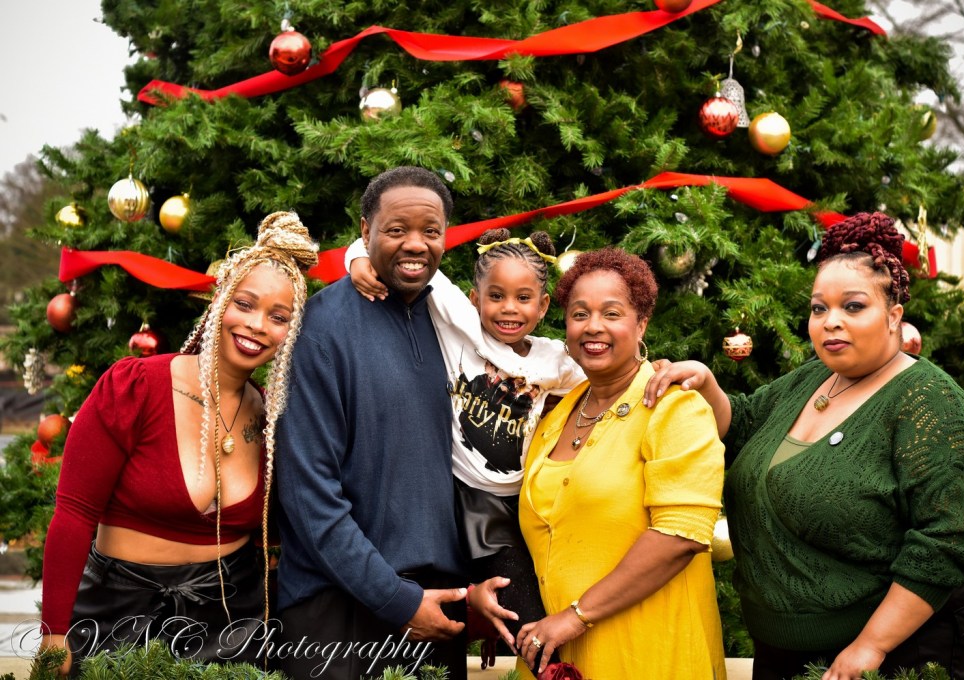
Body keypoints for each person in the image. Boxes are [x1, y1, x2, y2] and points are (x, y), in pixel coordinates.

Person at [647, 212, 964, 680]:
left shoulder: (930, 402)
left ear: (893, 316)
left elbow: (948, 543)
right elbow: (745, 427)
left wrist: (870, 646)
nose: (831, 322)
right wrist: (707, 383)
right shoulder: (815, 378)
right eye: (818, 308)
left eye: (853, 307)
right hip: (785, 647)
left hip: (891, 648)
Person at [38, 211, 319, 676]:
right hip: (117, 617)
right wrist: (53, 634)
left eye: (279, 317)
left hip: (232, 623)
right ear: (219, 300)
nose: (257, 325)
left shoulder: (273, 419)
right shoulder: (134, 387)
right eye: (245, 304)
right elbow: (73, 514)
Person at [347, 227, 584, 669]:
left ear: (543, 305)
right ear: (475, 299)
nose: (509, 308)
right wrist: (358, 262)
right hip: (459, 494)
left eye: (523, 298)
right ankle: (553, 672)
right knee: (511, 602)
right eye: (496, 296)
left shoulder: (555, 360)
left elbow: (614, 376)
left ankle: (551, 664)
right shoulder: (458, 324)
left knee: (538, 596)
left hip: (522, 501)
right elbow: (385, 245)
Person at [274, 167, 470, 680]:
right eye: (396, 229)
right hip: (336, 610)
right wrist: (395, 599)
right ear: (365, 231)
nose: (416, 244)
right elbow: (308, 493)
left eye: (430, 231)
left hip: (436, 605)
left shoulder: (454, 325)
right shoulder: (320, 329)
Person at [508, 247, 728, 679]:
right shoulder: (556, 415)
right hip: (558, 657)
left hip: (648, 654)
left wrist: (575, 616)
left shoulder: (674, 407)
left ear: (641, 323)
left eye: (612, 313)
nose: (593, 326)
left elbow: (680, 536)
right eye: (579, 314)